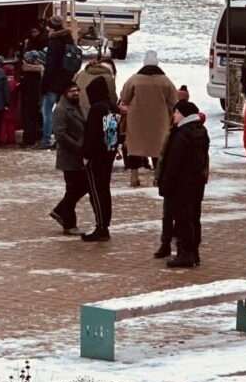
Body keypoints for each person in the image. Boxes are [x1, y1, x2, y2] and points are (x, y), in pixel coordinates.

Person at [156, 100, 210, 268]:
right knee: (194, 217)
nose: (174, 116)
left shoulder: (181, 134)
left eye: (177, 113)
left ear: (185, 115)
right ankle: (193, 252)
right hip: (195, 183)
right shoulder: (200, 131)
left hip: (180, 184)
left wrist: (166, 183)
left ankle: (185, 254)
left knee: (182, 219)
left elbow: (174, 162)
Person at [119, 50, 177, 187]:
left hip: (136, 120)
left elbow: (124, 97)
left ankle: (134, 176)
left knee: (135, 147)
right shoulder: (166, 81)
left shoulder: (134, 79)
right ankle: (157, 178)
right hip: (159, 121)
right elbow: (173, 102)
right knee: (158, 148)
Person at [80, 79, 120, 242]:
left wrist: (86, 155)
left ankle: (101, 227)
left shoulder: (97, 109)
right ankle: (104, 225)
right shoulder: (113, 107)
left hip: (96, 157)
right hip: (108, 153)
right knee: (104, 190)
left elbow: (91, 134)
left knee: (96, 192)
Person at [50, 84, 88, 236]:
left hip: (79, 155)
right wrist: (78, 146)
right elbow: (60, 134)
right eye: (72, 91)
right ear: (65, 93)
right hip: (69, 156)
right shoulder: (61, 110)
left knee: (80, 187)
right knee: (73, 189)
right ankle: (69, 224)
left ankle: (60, 211)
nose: (76, 93)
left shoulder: (78, 107)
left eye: (77, 90)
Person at [41, 15, 77, 149]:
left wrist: (44, 84)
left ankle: (46, 140)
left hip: (53, 82)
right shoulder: (69, 39)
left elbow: (50, 64)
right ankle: (61, 139)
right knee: (63, 111)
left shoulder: (53, 41)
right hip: (66, 80)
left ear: (51, 26)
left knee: (47, 111)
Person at [19, 38, 46, 147]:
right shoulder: (40, 71)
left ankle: (28, 139)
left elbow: (25, 86)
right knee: (35, 117)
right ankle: (36, 136)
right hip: (38, 97)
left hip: (29, 98)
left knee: (28, 118)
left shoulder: (28, 72)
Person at [0, 65, 19, 145]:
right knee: (11, 123)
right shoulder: (15, 83)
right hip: (12, 104)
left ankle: (2, 139)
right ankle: (11, 139)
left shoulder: (3, 82)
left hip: (5, 104)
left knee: (3, 122)